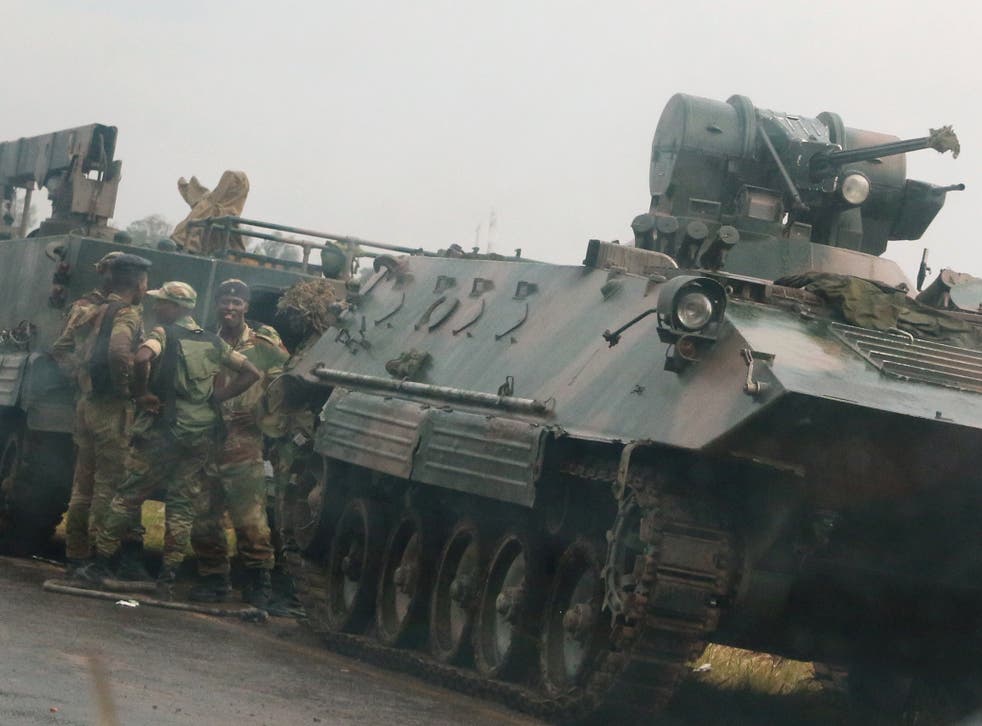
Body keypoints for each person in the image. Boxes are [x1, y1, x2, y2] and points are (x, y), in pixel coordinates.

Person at [76, 281, 260, 593]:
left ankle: (100, 562)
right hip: (199, 433)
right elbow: (252, 373)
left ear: (175, 307)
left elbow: (141, 358)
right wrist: (219, 398)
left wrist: (142, 393)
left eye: (161, 303)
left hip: (163, 431)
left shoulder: (162, 332)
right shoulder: (213, 342)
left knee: (128, 496)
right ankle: (168, 576)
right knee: (182, 505)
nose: (156, 307)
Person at [188, 279, 288, 609]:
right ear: (216, 304)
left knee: (250, 519)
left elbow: (285, 384)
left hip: (243, 442)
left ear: (246, 307)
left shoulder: (263, 344)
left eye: (237, 302)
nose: (230, 307)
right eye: (225, 301)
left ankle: (259, 583)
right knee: (204, 515)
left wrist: (261, 415)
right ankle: (213, 577)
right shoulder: (206, 341)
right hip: (206, 439)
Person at [51, 253, 149, 576]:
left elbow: (60, 349)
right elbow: (120, 352)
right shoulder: (128, 314)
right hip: (112, 409)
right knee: (109, 485)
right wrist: (132, 390)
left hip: (86, 404)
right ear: (139, 283)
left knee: (83, 484)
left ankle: (76, 554)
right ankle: (97, 557)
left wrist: (80, 377)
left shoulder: (92, 310)